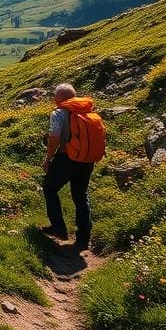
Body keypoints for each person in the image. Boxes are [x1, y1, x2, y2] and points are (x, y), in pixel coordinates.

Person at [40, 83, 106, 251]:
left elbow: (54, 137)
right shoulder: (87, 112)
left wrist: (48, 158)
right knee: (80, 196)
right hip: (87, 161)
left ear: (59, 98)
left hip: (66, 159)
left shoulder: (59, 113)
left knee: (49, 188)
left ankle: (58, 228)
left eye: (55, 96)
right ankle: (84, 238)